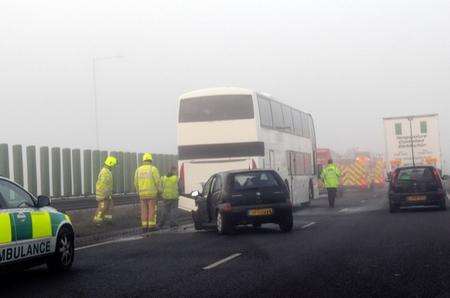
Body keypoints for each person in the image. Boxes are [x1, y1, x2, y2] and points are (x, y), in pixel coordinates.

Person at [134, 153, 161, 232]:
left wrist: (138, 191)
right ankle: (151, 226)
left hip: (142, 194)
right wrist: (160, 191)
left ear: (143, 160)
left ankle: (144, 226)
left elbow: (135, 182)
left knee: (144, 210)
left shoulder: (138, 170)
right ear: (150, 160)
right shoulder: (153, 169)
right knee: (152, 210)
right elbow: (157, 181)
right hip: (152, 194)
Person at [93, 156, 118, 225]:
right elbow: (103, 184)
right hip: (103, 194)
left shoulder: (107, 171)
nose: (114, 167)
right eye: (113, 165)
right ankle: (97, 221)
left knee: (109, 207)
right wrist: (105, 195)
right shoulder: (105, 172)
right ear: (110, 164)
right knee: (102, 207)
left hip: (106, 194)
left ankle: (108, 220)